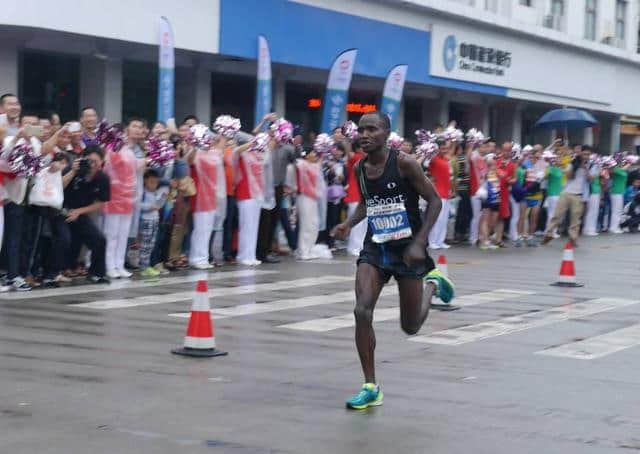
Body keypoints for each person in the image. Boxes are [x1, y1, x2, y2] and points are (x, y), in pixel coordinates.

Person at [331, 112, 455, 410]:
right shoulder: (360, 167)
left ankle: (432, 285)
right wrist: (349, 224)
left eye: (372, 129)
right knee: (361, 310)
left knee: (410, 327)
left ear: (386, 133)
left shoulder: (404, 163)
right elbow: (367, 202)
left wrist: (419, 242)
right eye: (361, 130)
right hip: (375, 248)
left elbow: (435, 201)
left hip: (407, 250)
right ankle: (370, 386)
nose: (364, 134)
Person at [102, 118, 146, 279]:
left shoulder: (129, 151)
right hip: (114, 197)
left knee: (123, 234)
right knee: (111, 233)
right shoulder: (111, 150)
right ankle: (109, 265)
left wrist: (153, 157)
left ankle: (119, 264)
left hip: (127, 198)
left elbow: (136, 167)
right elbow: (107, 168)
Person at [61, 145, 110, 284]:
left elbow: (101, 202)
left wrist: (79, 212)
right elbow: (58, 186)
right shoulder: (73, 169)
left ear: (101, 162)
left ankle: (97, 273)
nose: (92, 165)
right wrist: (72, 172)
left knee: (99, 239)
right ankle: (55, 271)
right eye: (89, 161)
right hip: (61, 210)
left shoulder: (102, 178)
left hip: (80, 212)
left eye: (96, 162)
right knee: (65, 240)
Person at [542, 148, 593, 246]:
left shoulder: (590, 166)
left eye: (588, 154)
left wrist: (585, 168)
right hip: (566, 193)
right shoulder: (572, 164)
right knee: (557, 215)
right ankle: (548, 234)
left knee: (575, 219)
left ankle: (573, 239)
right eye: (584, 154)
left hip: (578, 196)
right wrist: (576, 167)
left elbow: (590, 179)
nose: (586, 156)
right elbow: (568, 176)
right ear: (581, 154)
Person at [137, 169, 168, 277]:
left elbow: (159, 205)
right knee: (145, 244)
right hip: (146, 220)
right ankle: (144, 266)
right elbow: (139, 206)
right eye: (151, 182)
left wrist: (164, 197)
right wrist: (149, 207)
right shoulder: (143, 193)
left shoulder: (155, 192)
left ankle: (147, 265)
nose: (154, 185)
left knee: (151, 244)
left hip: (155, 220)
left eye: (156, 182)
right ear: (145, 181)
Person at [294, 147, 323, 260]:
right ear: (306, 155)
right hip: (304, 196)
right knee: (306, 224)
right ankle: (303, 251)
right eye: (312, 153)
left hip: (313, 198)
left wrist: (324, 150)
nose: (315, 155)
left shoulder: (314, 166)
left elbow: (320, 163)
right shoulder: (302, 164)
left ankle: (309, 248)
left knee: (313, 224)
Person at [428, 139, 453, 249]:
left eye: (446, 148)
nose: (444, 150)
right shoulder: (434, 159)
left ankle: (440, 241)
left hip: (446, 193)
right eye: (442, 148)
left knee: (444, 219)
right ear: (437, 148)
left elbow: (449, 178)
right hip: (438, 193)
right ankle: (432, 241)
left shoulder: (447, 160)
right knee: (437, 218)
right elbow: (427, 162)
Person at [344, 140, 366, 256]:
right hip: (354, 195)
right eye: (362, 147)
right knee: (356, 223)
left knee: (364, 224)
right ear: (357, 149)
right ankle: (353, 247)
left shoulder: (368, 158)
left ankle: (360, 246)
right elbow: (349, 155)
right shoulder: (356, 157)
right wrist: (348, 139)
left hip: (365, 195)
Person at [609, 160, 630, 234]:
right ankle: (614, 228)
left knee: (618, 210)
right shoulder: (616, 169)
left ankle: (614, 227)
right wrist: (629, 163)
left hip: (620, 192)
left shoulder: (622, 171)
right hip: (616, 192)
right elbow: (614, 170)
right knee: (616, 210)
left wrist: (627, 164)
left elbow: (625, 170)